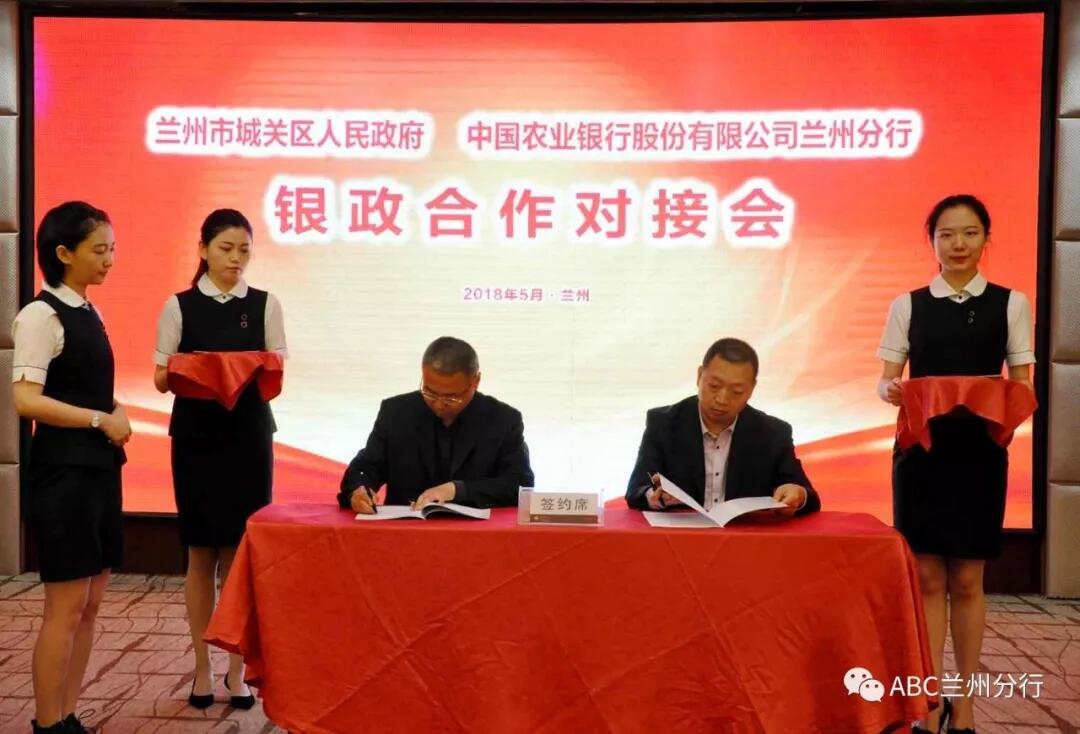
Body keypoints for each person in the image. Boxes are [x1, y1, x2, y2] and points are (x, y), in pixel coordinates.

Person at [877, 194, 1034, 734]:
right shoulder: (908, 305)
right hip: (922, 452)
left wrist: (1007, 400)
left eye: (969, 233)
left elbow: (1022, 383)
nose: (958, 244)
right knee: (925, 577)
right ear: (932, 242)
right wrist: (891, 390)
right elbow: (885, 380)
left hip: (979, 454)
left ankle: (964, 703)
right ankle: (928, 701)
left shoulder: (1011, 303)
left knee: (967, 578)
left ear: (986, 238)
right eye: (946, 234)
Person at [153, 209, 287, 710]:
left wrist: (244, 366)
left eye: (244, 250)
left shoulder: (265, 303)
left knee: (238, 553)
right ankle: (202, 669)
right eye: (226, 248)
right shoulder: (180, 305)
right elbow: (160, 378)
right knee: (200, 554)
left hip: (248, 438)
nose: (236, 259)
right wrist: (202, 367)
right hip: (196, 438)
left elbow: (277, 365)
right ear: (203, 250)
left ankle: (236, 669)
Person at [13, 201, 131, 734]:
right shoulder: (41, 315)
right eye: (99, 249)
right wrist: (99, 420)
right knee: (64, 605)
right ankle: (47, 722)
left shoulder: (89, 310)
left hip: (99, 469)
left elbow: (88, 390)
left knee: (90, 602)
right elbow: (26, 400)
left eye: (112, 248)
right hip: (62, 473)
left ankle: (67, 715)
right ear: (63, 253)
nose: (109, 259)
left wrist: (115, 411)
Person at [625, 337, 819, 516]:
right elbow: (636, 490)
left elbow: (808, 496)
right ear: (699, 376)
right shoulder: (663, 424)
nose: (722, 399)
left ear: (751, 389)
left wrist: (797, 495)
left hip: (745, 538)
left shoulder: (773, 433)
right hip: (680, 537)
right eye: (714, 386)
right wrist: (653, 496)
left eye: (736, 391)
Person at [338, 336, 534, 513]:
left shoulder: (503, 420)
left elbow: (519, 484)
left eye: (452, 397)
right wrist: (359, 490)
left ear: (476, 381)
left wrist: (457, 490)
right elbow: (367, 465)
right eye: (430, 392)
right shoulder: (396, 413)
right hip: (405, 531)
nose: (439, 405)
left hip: (476, 535)